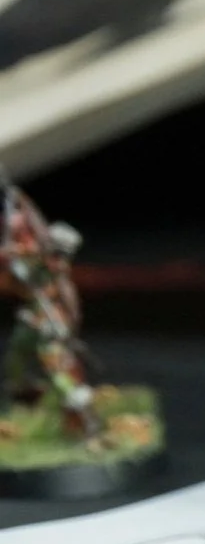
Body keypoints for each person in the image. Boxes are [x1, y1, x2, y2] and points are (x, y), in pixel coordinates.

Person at [1, 180, 99, 437]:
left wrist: (67, 330)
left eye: (57, 250)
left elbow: (69, 305)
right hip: (31, 320)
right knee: (16, 361)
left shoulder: (57, 273)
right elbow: (29, 238)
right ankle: (25, 398)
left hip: (49, 326)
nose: (52, 252)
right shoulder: (38, 257)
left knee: (57, 372)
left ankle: (84, 416)